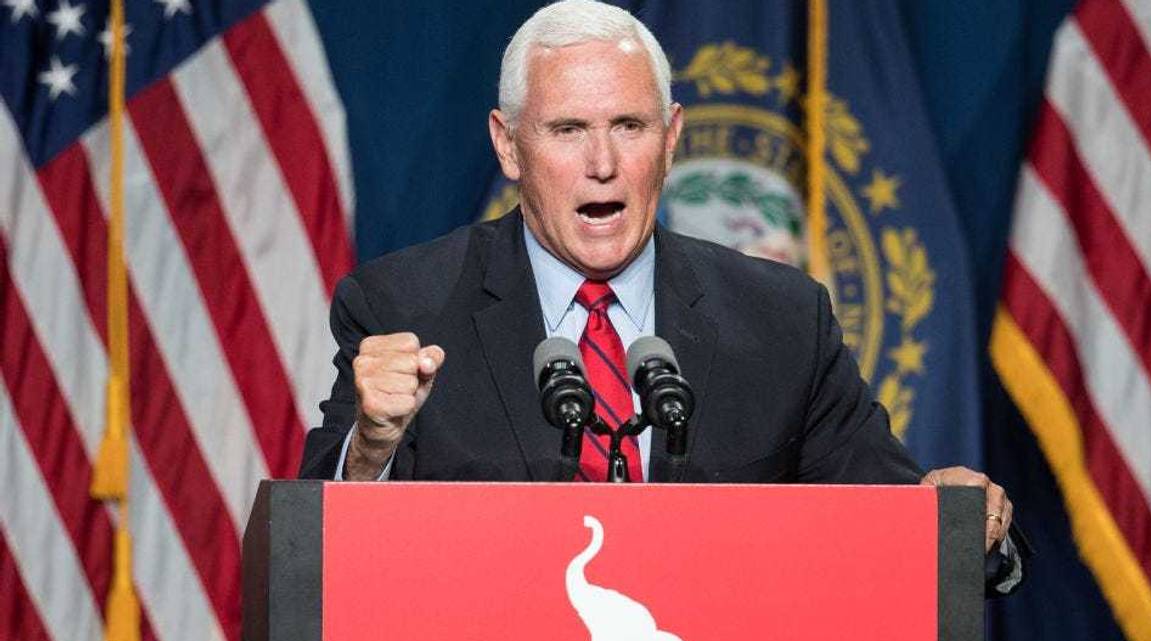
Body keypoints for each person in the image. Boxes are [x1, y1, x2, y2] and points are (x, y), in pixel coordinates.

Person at [299, 0, 1021, 581]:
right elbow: (315, 558)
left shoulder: (782, 321)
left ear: (671, 137)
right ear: (508, 145)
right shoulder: (405, 308)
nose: (603, 163)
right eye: (567, 129)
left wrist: (956, 521)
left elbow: (892, 525)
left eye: (629, 126)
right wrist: (372, 446)